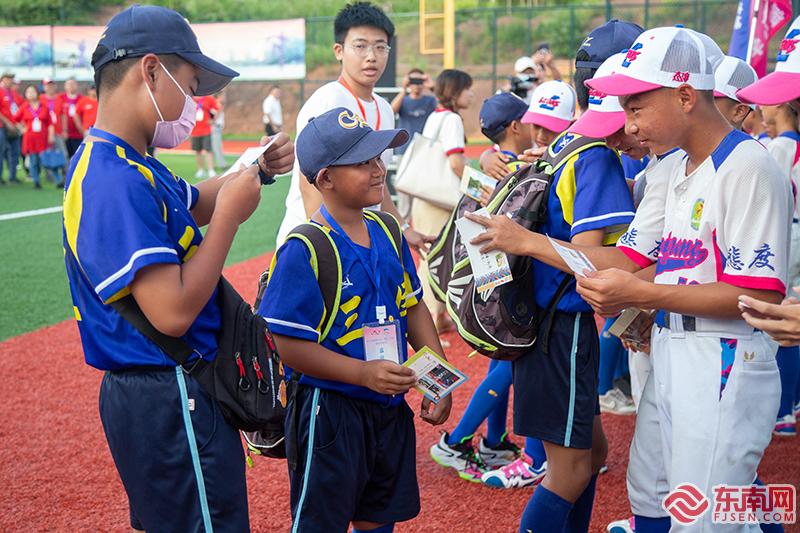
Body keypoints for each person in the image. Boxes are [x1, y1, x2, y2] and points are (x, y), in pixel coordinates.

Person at [62, 5, 294, 532]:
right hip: (169, 393)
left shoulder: (129, 161)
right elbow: (171, 313)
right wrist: (231, 221)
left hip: (174, 392)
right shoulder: (112, 177)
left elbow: (194, 203)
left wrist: (254, 169)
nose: (194, 103)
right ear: (150, 72)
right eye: (190, 86)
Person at [468, 20, 643, 533]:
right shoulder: (595, 158)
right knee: (567, 471)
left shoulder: (567, 144)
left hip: (542, 326)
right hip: (561, 332)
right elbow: (590, 262)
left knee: (590, 455)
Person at [259, 106, 451, 532]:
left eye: (378, 158)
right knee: (320, 522)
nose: (378, 169)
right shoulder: (305, 247)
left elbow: (413, 305)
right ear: (325, 178)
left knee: (379, 519)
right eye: (362, 162)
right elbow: (286, 345)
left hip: (388, 408)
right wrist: (361, 373)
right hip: (330, 412)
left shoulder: (388, 229)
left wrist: (438, 379)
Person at [430, 91, 550, 488]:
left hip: (483, 272)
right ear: (517, 126)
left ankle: (495, 442)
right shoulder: (516, 167)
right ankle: (456, 440)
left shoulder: (488, 165)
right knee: (510, 363)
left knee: (502, 357)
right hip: (506, 274)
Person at [275, 1, 429, 252]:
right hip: (315, 249)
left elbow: (376, 180)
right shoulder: (328, 101)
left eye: (381, 47)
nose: (371, 56)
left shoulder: (385, 108)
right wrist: (334, 252)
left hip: (358, 244)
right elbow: (309, 183)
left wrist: (402, 229)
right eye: (360, 46)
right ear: (339, 50)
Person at [414, 68, 474, 334]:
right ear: (455, 91)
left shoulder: (436, 116)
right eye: (467, 89)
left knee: (432, 257)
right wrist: (478, 187)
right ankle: (429, 322)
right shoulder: (452, 120)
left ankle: (436, 317)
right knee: (435, 258)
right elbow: (455, 163)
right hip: (439, 200)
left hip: (427, 196)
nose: (471, 94)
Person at [390, 68, 436, 155]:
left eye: (419, 81)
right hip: (404, 148)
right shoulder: (403, 100)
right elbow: (390, 112)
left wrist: (432, 88)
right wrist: (404, 89)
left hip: (425, 148)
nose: (416, 85)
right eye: (413, 81)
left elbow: (443, 107)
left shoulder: (431, 100)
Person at [15, 84, 52, 189]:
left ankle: (52, 177)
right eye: (28, 92)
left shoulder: (44, 106)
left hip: (42, 137)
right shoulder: (24, 107)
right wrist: (22, 128)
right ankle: (36, 180)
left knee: (43, 159)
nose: (31, 94)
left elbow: (49, 123)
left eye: (33, 91)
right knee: (33, 159)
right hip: (30, 137)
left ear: (38, 93)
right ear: (26, 94)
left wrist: (51, 135)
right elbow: (15, 119)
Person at [41, 78, 69, 181]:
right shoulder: (41, 99)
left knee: (63, 153)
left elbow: (63, 116)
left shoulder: (60, 99)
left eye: (52, 85)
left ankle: (66, 173)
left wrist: (65, 130)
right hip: (44, 132)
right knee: (47, 153)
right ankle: (50, 175)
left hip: (58, 131)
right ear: (44, 87)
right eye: (48, 85)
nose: (50, 87)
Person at [1, 71, 24, 184]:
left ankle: (12, 177)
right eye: (8, 78)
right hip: (2, 126)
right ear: (3, 79)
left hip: (14, 128)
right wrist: (7, 123)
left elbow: (22, 109)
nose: (10, 81)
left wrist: (19, 124)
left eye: (11, 78)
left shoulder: (14, 94)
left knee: (15, 152)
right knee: (1, 152)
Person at [190, 93, 219, 178]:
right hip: (194, 130)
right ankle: (200, 170)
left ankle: (211, 170)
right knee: (197, 151)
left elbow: (217, 109)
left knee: (208, 150)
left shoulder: (208, 98)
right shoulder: (190, 99)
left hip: (206, 130)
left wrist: (213, 120)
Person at [58, 77, 83, 158]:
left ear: (77, 86)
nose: (71, 86)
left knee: (78, 157)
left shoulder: (82, 99)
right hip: (64, 134)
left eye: (73, 84)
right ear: (65, 86)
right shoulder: (60, 98)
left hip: (78, 134)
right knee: (65, 157)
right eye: (69, 84)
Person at [210, 90, 227, 169]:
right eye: (222, 96)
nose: (224, 98)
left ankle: (214, 165)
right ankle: (222, 164)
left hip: (217, 127)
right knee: (217, 147)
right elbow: (214, 117)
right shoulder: (216, 105)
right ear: (218, 97)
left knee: (215, 147)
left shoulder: (218, 105)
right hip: (215, 127)